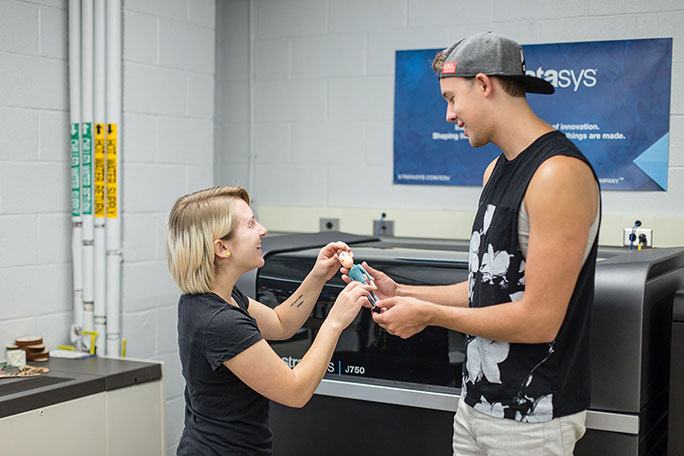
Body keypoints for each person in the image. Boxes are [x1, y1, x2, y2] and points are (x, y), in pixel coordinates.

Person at [342, 32, 601, 455]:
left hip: (532, 418)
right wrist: (403, 292)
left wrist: (428, 315)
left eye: (451, 98)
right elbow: (488, 290)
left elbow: (540, 319)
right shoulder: (495, 171)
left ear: (484, 85)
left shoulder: (558, 174)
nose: (448, 115)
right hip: (476, 405)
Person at [166, 186, 373, 455]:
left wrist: (318, 275)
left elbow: (280, 323)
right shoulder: (219, 322)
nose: (263, 230)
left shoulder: (212, 299)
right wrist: (335, 321)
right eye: (250, 224)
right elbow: (295, 391)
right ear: (222, 248)